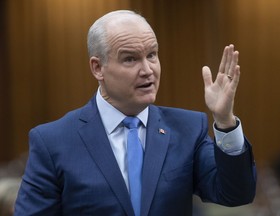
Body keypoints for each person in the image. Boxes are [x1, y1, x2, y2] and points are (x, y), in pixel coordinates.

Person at [14, 10, 256, 216]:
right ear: (98, 67)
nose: (147, 70)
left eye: (152, 55)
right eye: (130, 59)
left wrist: (225, 121)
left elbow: (236, 193)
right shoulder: (53, 142)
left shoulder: (187, 128)